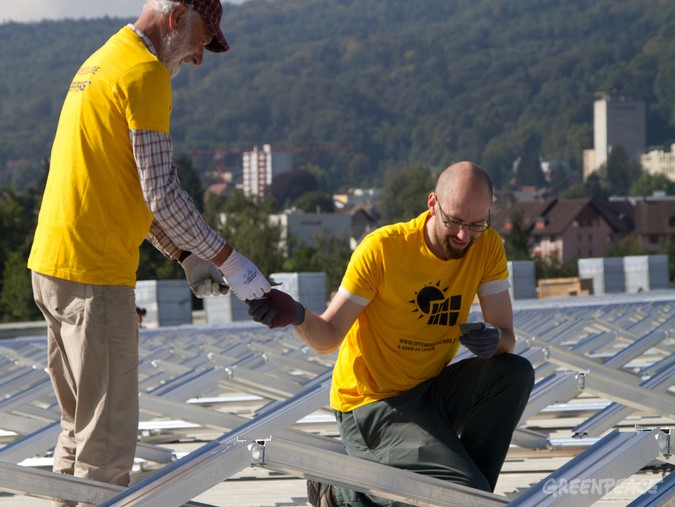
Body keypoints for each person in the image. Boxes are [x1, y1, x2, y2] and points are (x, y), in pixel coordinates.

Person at [27, 0, 271, 495]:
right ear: (177, 15)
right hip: (94, 276)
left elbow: (129, 189)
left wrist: (184, 254)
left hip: (53, 266)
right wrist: (232, 261)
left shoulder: (102, 60)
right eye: (204, 37)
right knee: (108, 445)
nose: (200, 56)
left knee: (78, 429)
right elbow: (161, 191)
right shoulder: (145, 74)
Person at [248, 161, 535, 506]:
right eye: (455, 222)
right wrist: (296, 314)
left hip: (431, 392)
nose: (464, 236)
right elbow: (328, 336)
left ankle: (466, 490)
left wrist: (495, 339)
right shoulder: (383, 250)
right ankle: (340, 493)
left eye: (476, 224)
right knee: (458, 495)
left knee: (514, 372)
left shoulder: (486, 245)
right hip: (372, 403)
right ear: (432, 205)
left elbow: (507, 338)